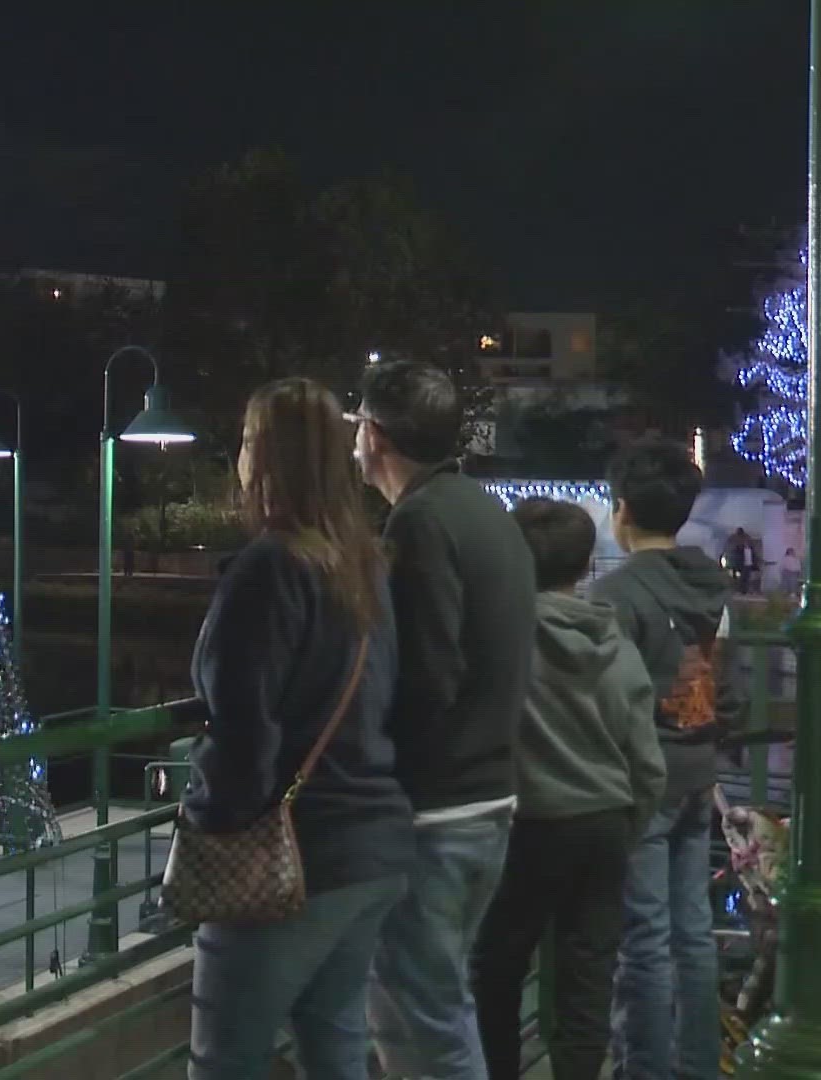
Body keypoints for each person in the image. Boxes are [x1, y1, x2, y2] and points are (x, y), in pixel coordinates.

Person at [184, 377, 414, 1080]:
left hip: (295, 855)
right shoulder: (363, 564)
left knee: (225, 1057)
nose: (242, 458)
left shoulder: (270, 567)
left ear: (270, 457)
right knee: (335, 1040)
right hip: (373, 845)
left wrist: (211, 821)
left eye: (249, 442)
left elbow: (244, 727)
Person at [350, 358, 535, 1080]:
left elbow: (428, 677)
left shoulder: (422, 522)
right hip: (490, 795)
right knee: (442, 1004)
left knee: (418, 1020)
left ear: (373, 435)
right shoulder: (481, 510)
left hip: (437, 811)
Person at [471, 498, 665, 1080]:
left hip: (522, 824)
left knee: (496, 969)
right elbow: (645, 758)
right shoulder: (614, 644)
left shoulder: (495, 640)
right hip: (603, 822)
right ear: (585, 567)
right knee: (588, 976)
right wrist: (630, 820)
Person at [591, 440, 740, 1080]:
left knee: (644, 939)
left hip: (642, 777)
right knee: (693, 933)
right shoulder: (708, 584)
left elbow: (601, 693)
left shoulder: (617, 594)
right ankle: (699, 1063)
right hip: (698, 769)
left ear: (621, 510)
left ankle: (645, 1068)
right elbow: (720, 674)